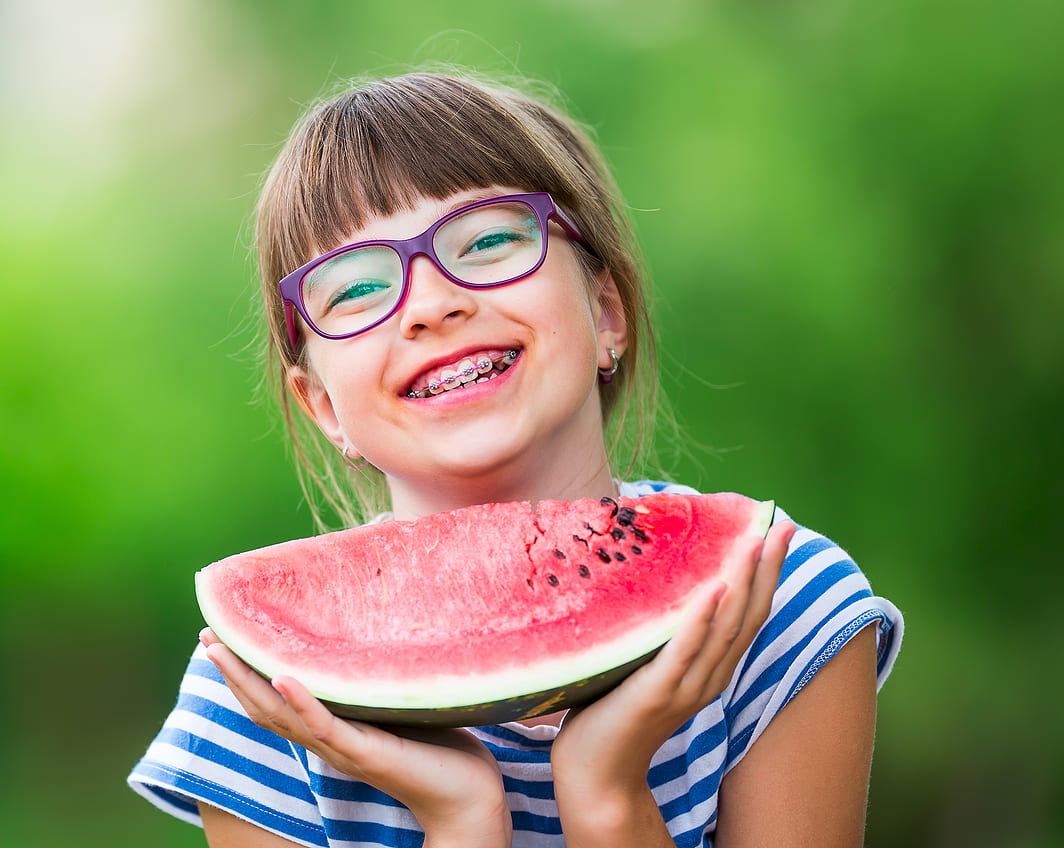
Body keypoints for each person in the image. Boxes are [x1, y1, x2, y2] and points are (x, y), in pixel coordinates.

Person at [128, 70, 903, 848]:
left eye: (491, 240)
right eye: (356, 288)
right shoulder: (264, 694)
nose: (432, 306)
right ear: (325, 408)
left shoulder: (780, 607)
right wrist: (462, 823)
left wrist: (607, 795)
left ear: (606, 312)